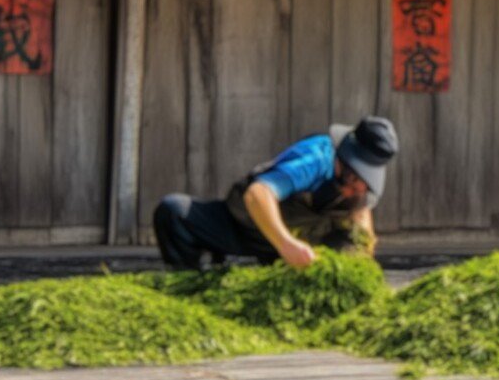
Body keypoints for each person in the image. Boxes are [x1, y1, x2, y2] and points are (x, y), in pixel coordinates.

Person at [153, 116, 398, 272]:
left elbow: (361, 216)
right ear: (343, 159)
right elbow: (258, 194)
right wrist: (285, 244)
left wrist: (365, 252)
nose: (356, 189)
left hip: (307, 248)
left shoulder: (364, 184)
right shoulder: (315, 158)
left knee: (349, 250)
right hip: (251, 230)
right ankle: (190, 284)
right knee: (174, 211)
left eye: (362, 185)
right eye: (353, 179)